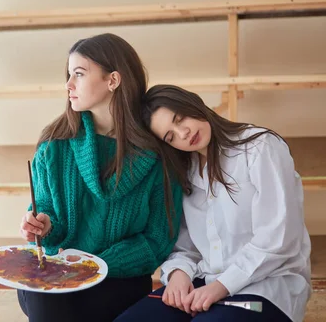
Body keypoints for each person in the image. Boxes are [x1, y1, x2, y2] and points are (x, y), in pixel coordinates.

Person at [17, 34, 184, 322]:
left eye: (79, 74)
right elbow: (45, 207)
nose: (68, 85)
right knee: (46, 294)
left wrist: (96, 266)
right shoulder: (54, 144)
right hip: (55, 278)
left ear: (113, 80)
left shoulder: (159, 154)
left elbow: (158, 239)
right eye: (69, 75)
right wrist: (42, 224)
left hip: (119, 281)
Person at [115, 85, 311, 322]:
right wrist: (178, 274)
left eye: (180, 118)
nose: (183, 133)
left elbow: (278, 241)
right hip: (204, 283)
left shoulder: (260, 148)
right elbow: (186, 246)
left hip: (266, 289)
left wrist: (219, 287)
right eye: (171, 136)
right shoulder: (186, 172)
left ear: (193, 103)